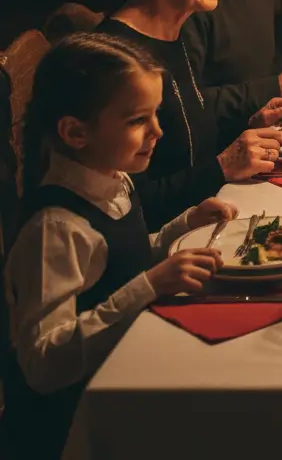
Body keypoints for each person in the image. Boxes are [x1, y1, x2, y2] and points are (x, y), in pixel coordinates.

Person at [1, 34, 235, 460]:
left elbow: (116, 260)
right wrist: (148, 286)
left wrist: (182, 225)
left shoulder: (112, 179)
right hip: (75, 426)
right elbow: (42, 363)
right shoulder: (55, 228)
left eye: (156, 115)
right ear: (75, 132)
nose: (158, 132)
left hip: (124, 372)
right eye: (136, 120)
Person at [97, 0, 282, 229]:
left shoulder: (175, 36)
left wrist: (251, 123)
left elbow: (185, 138)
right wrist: (223, 165)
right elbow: (128, 207)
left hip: (204, 219)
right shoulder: (115, 63)